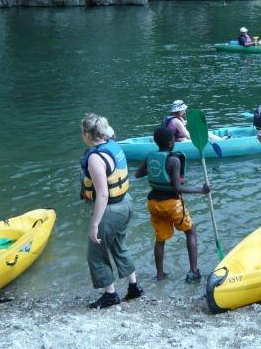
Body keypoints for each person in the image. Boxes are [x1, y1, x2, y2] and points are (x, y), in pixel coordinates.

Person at [80, 113, 143, 309]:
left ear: (87, 135)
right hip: (126, 203)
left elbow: (103, 195)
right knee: (119, 245)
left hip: (111, 209)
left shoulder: (95, 159)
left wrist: (95, 224)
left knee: (96, 253)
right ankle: (134, 288)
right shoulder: (114, 145)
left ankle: (110, 295)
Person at [135, 127, 210, 283]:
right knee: (190, 231)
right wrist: (201, 190)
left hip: (154, 203)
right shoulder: (174, 160)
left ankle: (160, 275)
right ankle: (194, 271)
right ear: (171, 142)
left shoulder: (150, 156)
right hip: (171, 204)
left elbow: (138, 174)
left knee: (160, 239)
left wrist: (157, 171)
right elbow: (177, 187)